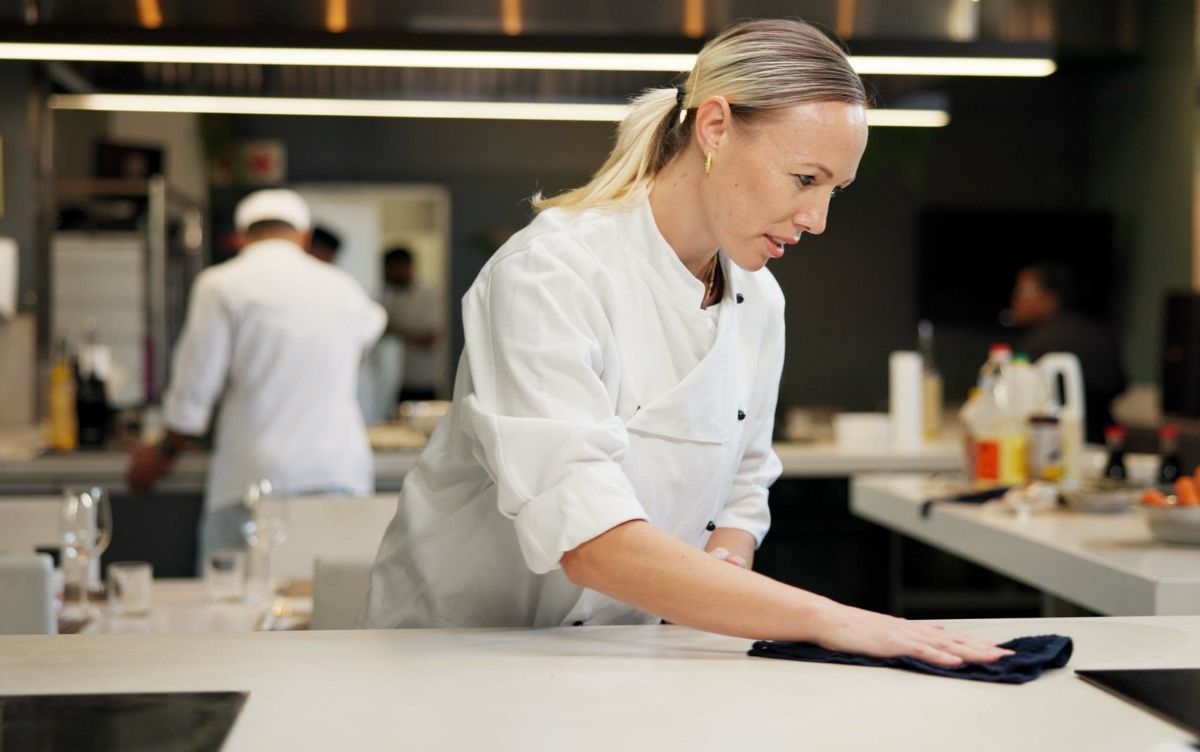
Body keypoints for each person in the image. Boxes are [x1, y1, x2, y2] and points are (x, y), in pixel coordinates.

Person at [362, 18, 1009, 667]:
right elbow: (587, 535)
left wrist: (725, 566)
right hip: (456, 655)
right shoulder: (551, 272)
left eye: (834, 191)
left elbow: (744, 480)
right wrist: (826, 618)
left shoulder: (759, 301)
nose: (817, 221)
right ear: (716, 128)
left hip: (619, 654)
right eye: (805, 180)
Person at [127, 189, 387, 557]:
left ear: (240, 236)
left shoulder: (221, 285)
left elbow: (195, 390)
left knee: (237, 605)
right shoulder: (344, 288)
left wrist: (164, 450)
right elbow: (372, 326)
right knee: (331, 605)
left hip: (255, 477)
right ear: (304, 235)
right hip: (338, 473)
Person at [1010, 263, 1126, 443]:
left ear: (1049, 298)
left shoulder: (1037, 343)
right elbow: (1120, 384)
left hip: (1054, 444)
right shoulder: (1100, 333)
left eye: (1021, 292)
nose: (1015, 300)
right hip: (1103, 439)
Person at [381, 247, 442, 402]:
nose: (388, 274)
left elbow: (431, 338)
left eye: (391, 269)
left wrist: (395, 331)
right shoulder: (392, 295)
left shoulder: (429, 294)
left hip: (429, 381)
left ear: (404, 266)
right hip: (405, 380)